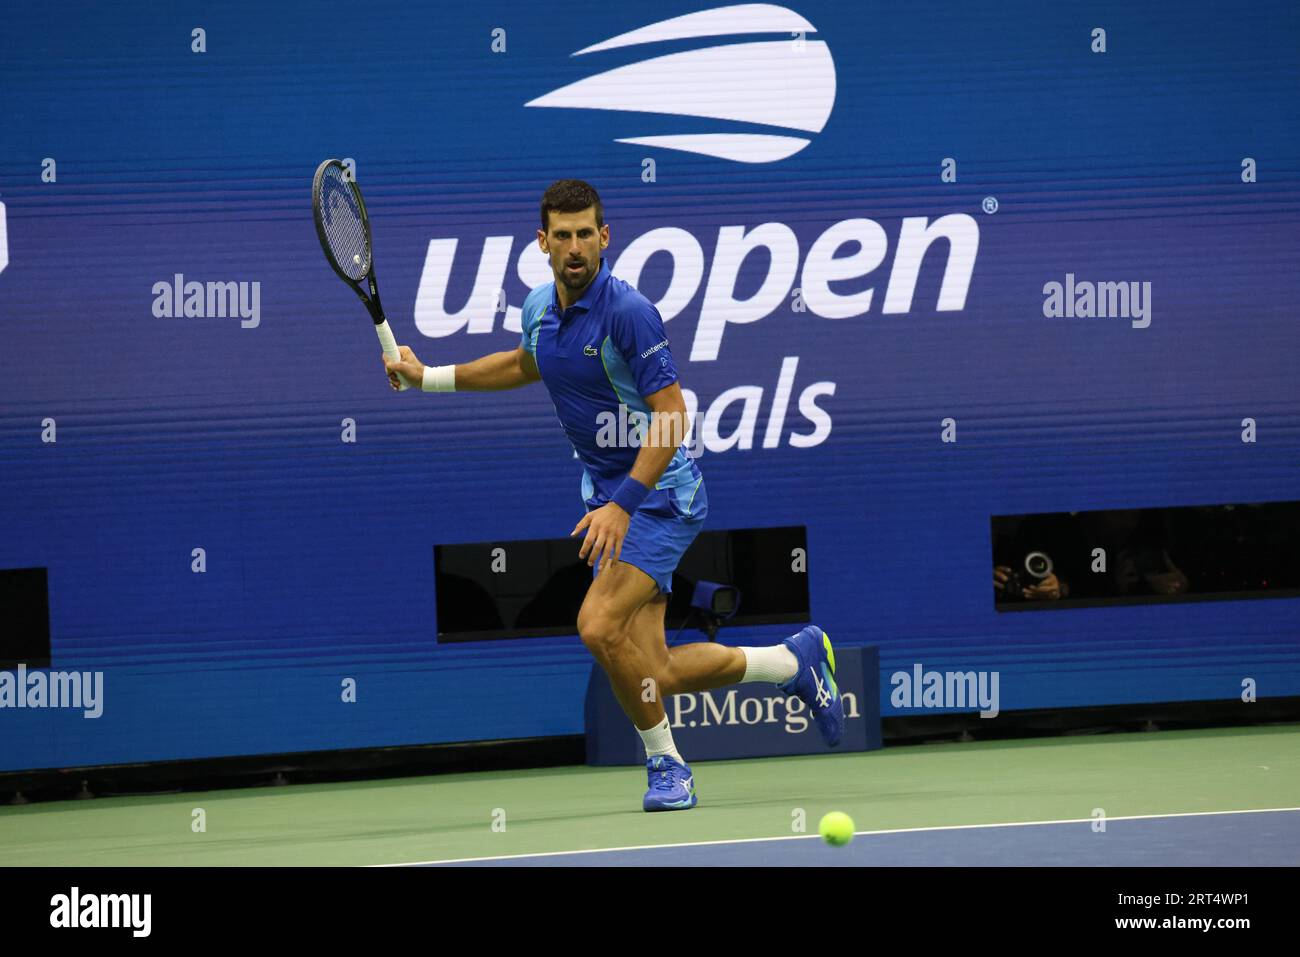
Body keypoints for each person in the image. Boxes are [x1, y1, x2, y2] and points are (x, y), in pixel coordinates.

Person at [382, 179, 843, 811]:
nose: (575, 248)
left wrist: (623, 503)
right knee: (657, 669)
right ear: (542, 243)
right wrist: (427, 376)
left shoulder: (628, 312)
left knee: (597, 625)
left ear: (605, 237)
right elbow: (524, 364)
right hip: (613, 498)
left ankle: (668, 767)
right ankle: (793, 664)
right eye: (562, 236)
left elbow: (672, 415)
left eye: (585, 234)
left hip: (661, 498)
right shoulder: (540, 308)